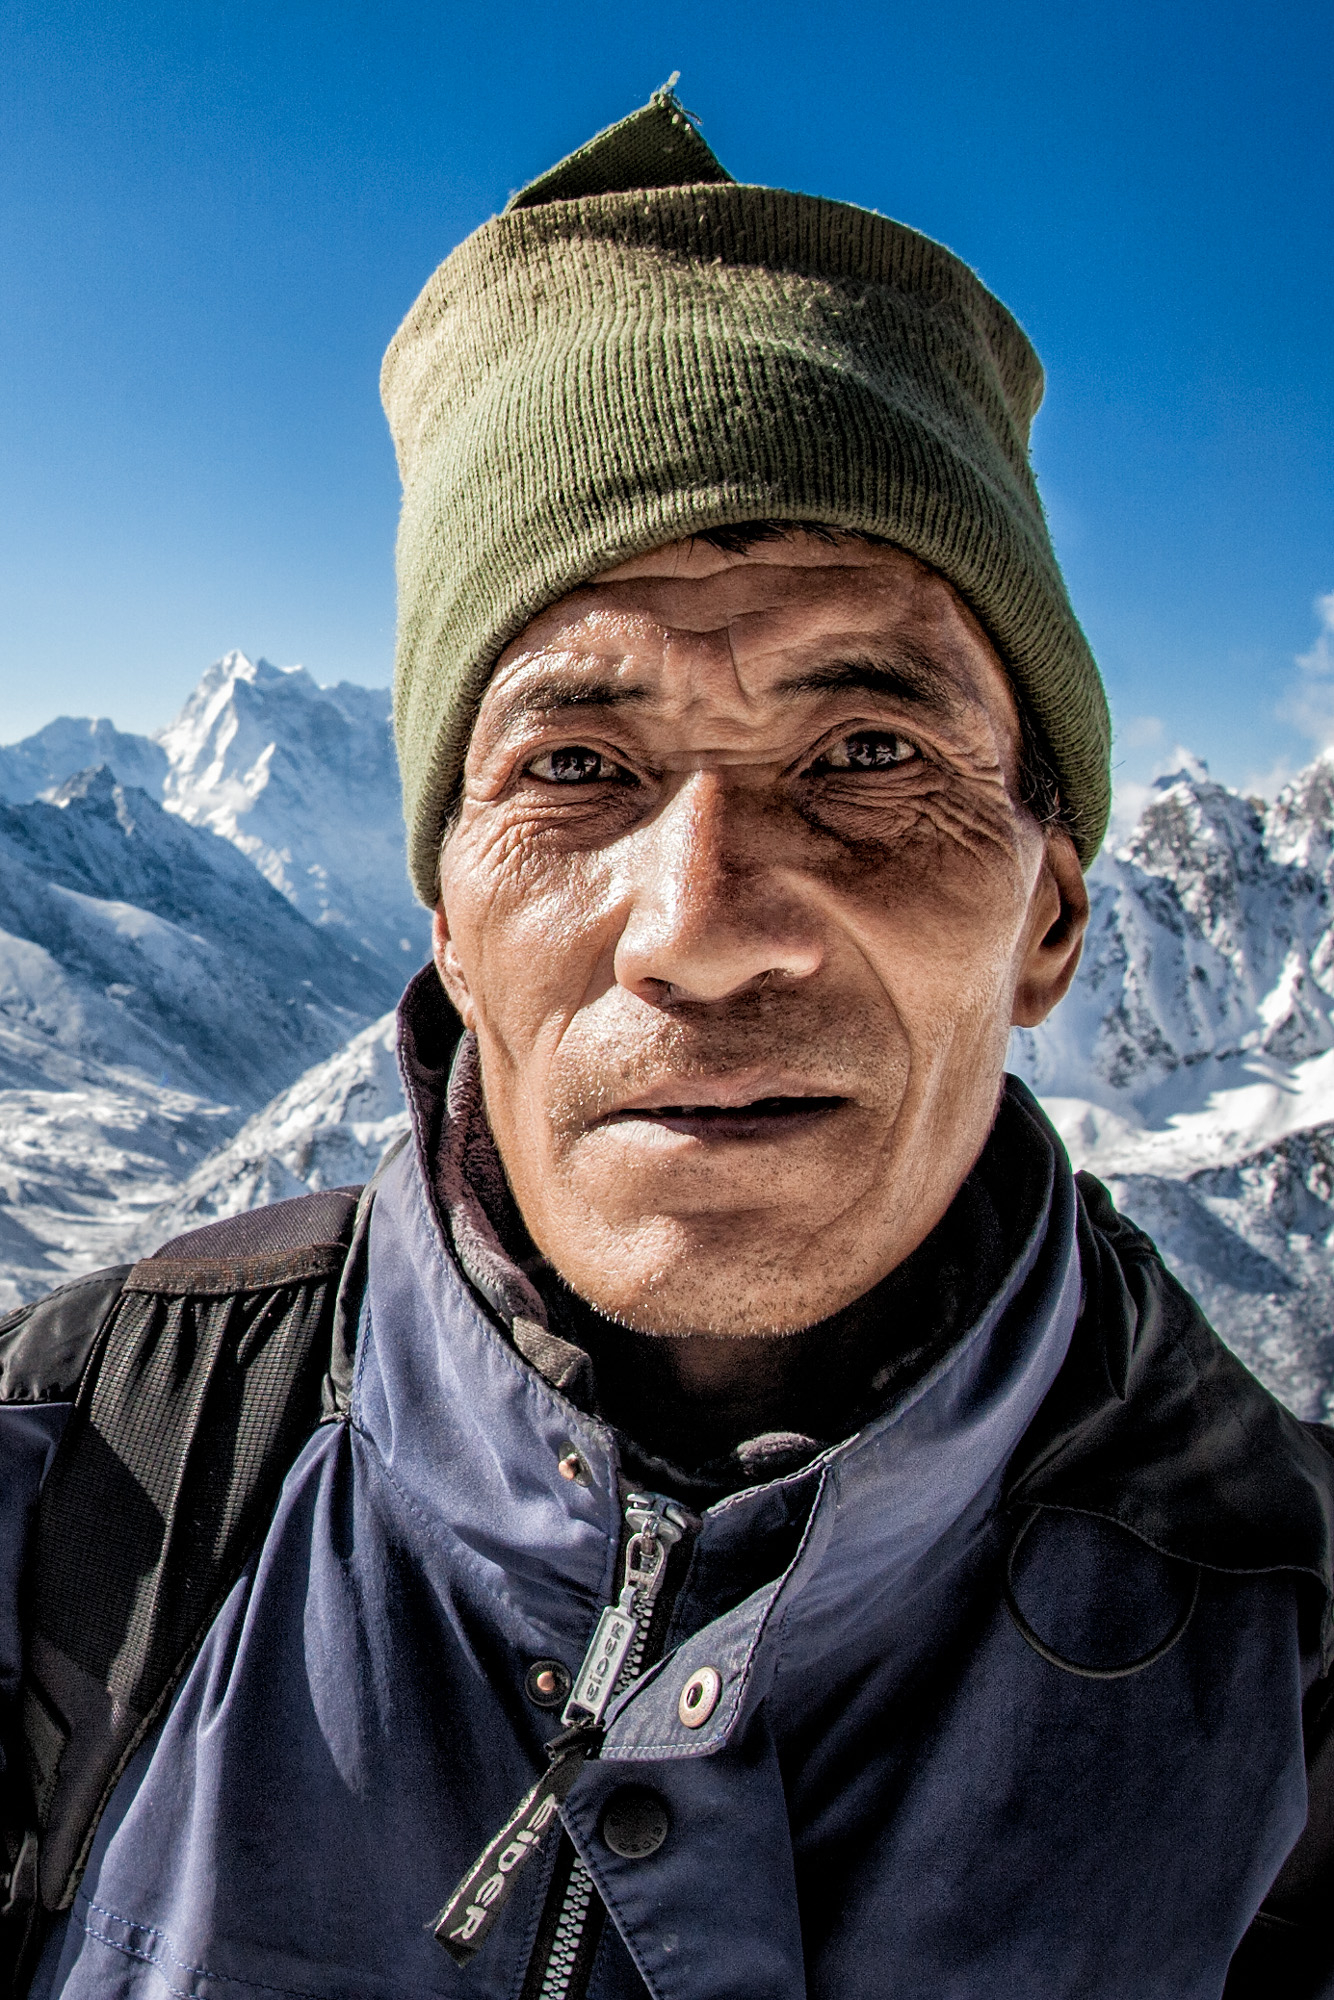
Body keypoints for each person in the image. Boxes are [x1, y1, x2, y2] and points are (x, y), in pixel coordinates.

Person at [2, 87, 1331, 2000]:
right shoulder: (73, 1486)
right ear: (448, 921)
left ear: (1051, 913)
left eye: (868, 755)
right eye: (574, 768)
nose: (700, 925)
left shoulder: (1294, 1666)